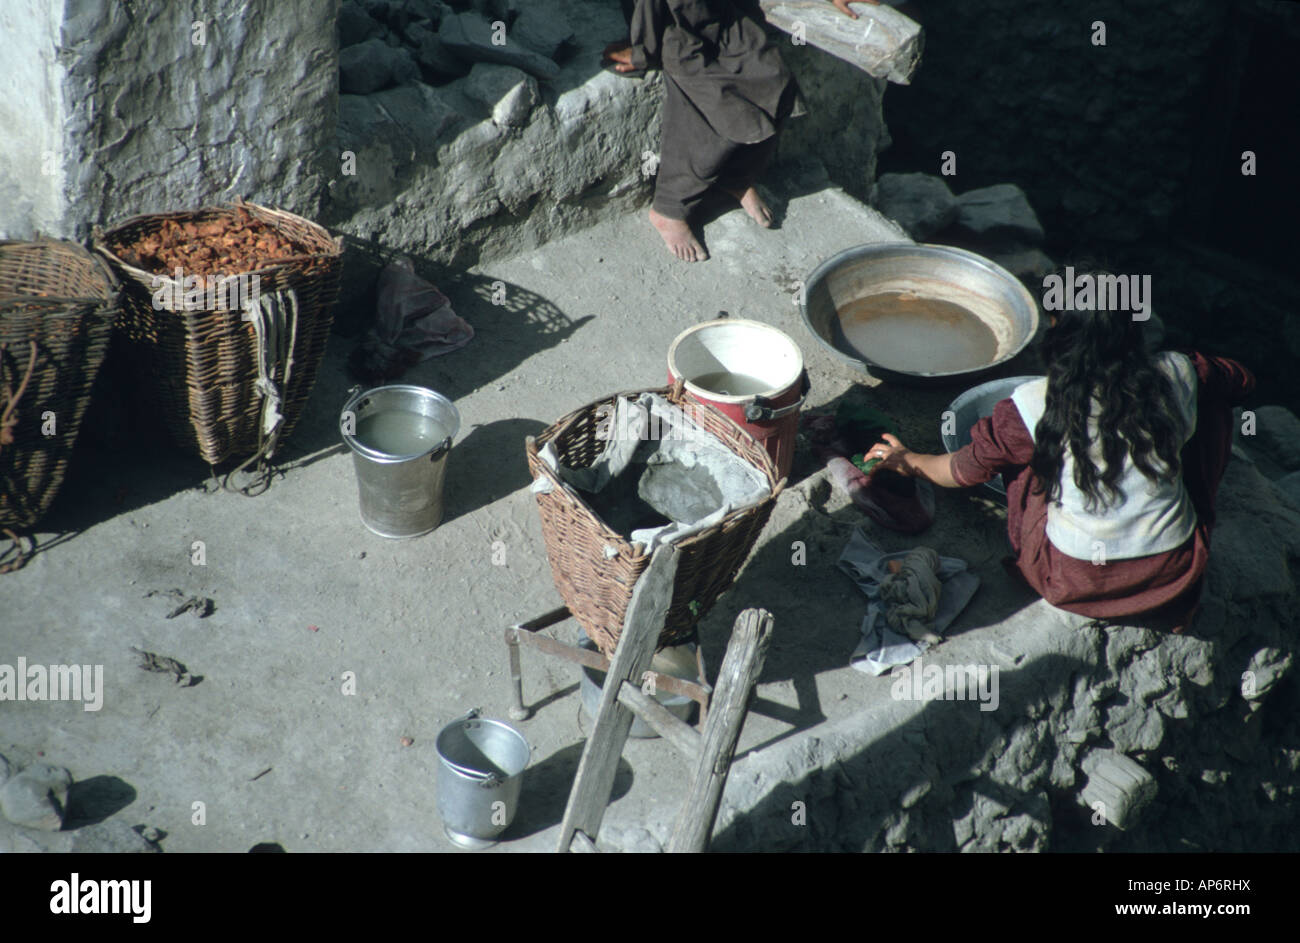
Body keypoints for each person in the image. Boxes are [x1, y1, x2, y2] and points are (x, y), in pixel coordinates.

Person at [865, 301, 1256, 633]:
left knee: (1024, 453)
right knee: (1213, 403)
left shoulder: (1034, 404)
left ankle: (1029, 561)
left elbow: (963, 471)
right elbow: (1242, 381)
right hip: (1174, 579)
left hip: (1072, 581)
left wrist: (910, 460)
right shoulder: (1179, 371)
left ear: (1058, 338)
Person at [606, 0, 873, 262]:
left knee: (775, 80)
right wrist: (643, 50)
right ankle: (669, 209)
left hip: (723, 12)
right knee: (715, 105)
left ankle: (736, 178)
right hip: (674, 23)